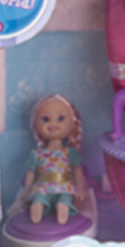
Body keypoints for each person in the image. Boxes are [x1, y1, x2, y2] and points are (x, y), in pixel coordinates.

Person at [23, 94, 87, 225]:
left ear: (73, 124)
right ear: (36, 125)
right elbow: (31, 174)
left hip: (65, 186)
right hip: (42, 187)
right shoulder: (37, 154)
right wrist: (27, 191)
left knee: (65, 198)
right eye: (45, 119)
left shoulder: (70, 153)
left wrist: (81, 188)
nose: (53, 123)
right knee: (39, 198)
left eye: (60, 118)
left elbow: (78, 172)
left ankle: (63, 207)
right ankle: (38, 206)